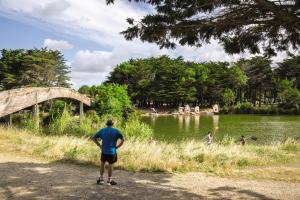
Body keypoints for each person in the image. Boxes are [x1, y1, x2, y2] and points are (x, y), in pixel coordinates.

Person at [91, 119, 124, 185]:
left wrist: (99, 145)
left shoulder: (102, 130)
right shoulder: (116, 131)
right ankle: (109, 180)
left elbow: (93, 138)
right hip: (112, 151)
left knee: (102, 164)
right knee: (110, 165)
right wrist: (118, 146)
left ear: (106, 124)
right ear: (112, 124)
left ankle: (101, 179)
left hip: (104, 151)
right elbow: (123, 139)